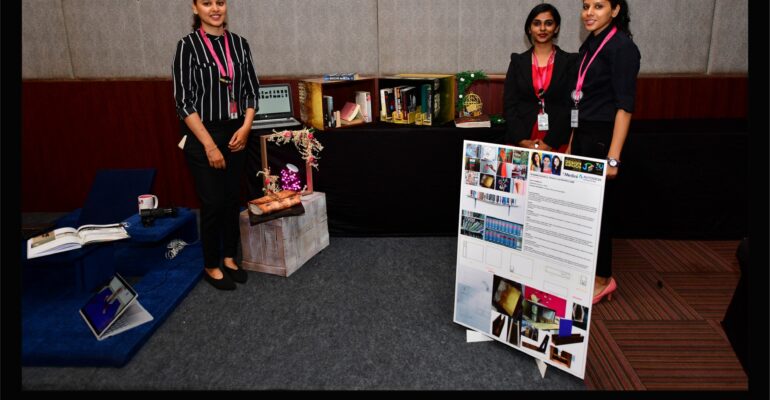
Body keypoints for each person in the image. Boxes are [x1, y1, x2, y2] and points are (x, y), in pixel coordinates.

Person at [172, 0, 259, 290]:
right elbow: (183, 102)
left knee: (233, 198)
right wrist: (209, 145)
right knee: (212, 203)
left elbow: (250, 90)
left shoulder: (240, 44)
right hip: (202, 134)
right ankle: (211, 264)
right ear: (195, 8)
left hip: (236, 132)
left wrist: (246, 128)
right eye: (207, 3)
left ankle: (230, 257)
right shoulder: (187, 46)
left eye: (220, 2)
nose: (215, 8)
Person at [566, 0, 640, 304]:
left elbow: (625, 106)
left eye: (598, 6)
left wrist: (613, 157)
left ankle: (603, 279)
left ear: (616, 10)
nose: (589, 13)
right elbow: (580, 99)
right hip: (583, 134)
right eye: (585, 6)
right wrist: (572, 141)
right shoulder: (591, 43)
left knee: (599, 211)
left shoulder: (622, 47)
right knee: (582, 209)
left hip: (602, 138)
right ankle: (587, 270)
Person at [503, 3, 577, 152]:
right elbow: (509, 105)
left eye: (548, 23)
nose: (542, 28)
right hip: (522, 138)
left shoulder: (570, 61)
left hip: (556, 140)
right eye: (537, 24)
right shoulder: (517, 61)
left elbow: (570, 105)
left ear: (556, 28)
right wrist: (522, 140)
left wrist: (550, 142)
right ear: (530, 28)